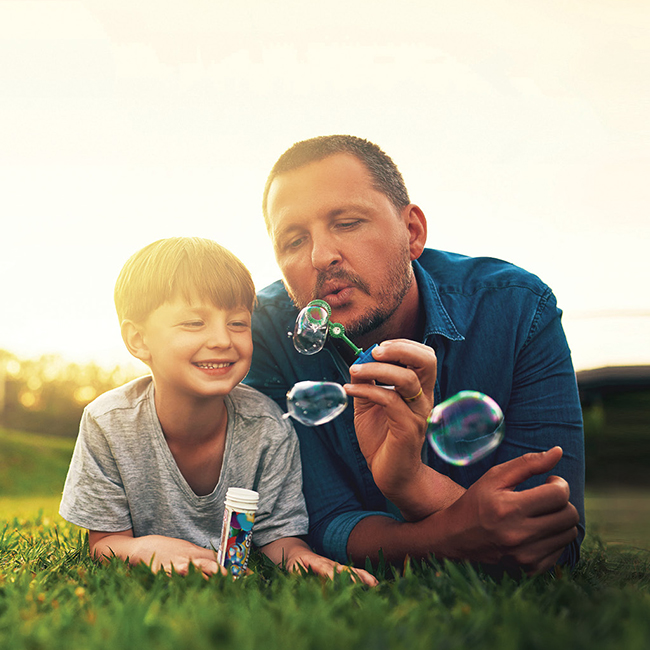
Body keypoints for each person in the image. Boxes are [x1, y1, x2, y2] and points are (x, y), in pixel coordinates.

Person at [245, 135, 585, 576]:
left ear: (412, 232)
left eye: (347, 222)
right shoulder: (262, 331)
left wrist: (414, 483)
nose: (320, 256)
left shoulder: (518, 309)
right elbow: (318, 520)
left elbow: (552, 540)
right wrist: (449, 535)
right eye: (293, 241)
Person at [59, 236, 377, 585]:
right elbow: (104, 542)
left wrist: (306, 561)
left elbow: (279, 539)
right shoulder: (108, 423)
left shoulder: (268, 427)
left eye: (238, 323)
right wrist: (145, 549)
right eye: (194, 323)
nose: (223, 340)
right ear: (138, 339)